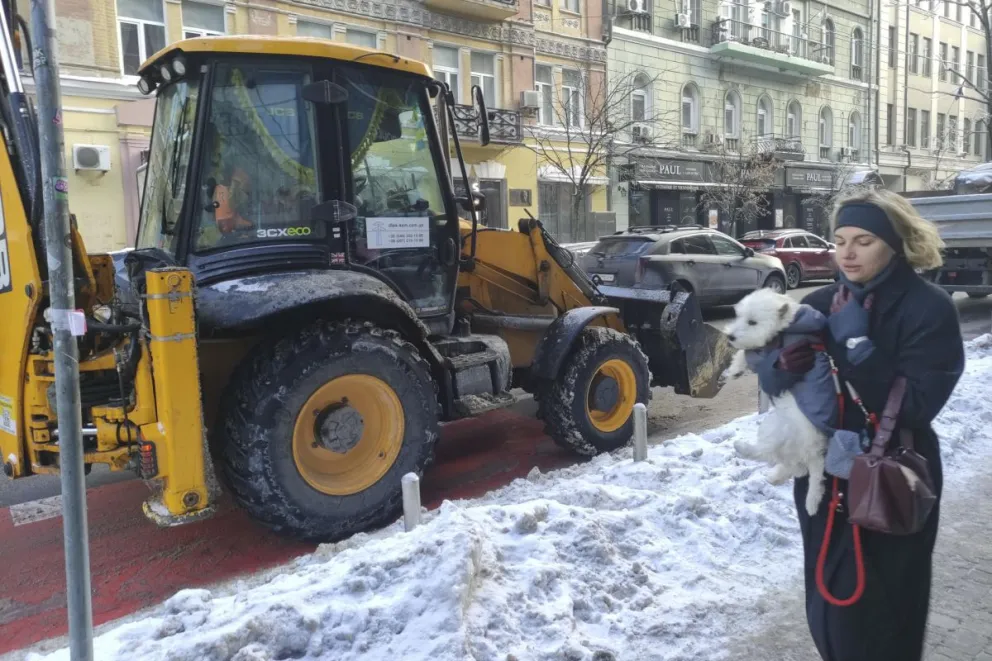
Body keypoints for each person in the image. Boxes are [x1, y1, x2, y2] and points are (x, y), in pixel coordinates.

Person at [754, 188, 965, 661]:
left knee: (885, 609)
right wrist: (775, 372)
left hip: (893, 475)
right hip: (825, 474)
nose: (846, 252)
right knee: (829, 600)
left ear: (895, 243)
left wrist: (859, 350)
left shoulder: (929, 307)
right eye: (840, 239)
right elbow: (783, 386)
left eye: (864, 240)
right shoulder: (823, 300)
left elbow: (918, 405)